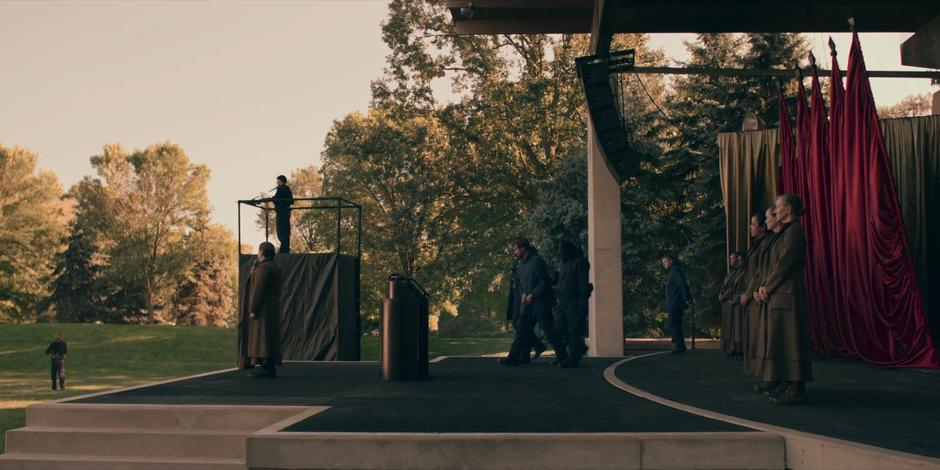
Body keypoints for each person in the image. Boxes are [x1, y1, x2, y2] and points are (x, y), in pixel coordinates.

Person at [757, 194, 813, 405]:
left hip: (787, 295)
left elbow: (783, 264)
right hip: (780, 294)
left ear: (788, 210)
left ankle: (796, 389)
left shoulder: (795, 232)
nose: (776, 210)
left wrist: (767, 287)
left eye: (779, 207)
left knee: (792, 342)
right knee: (783, 341)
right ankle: (787, 384)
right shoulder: (786, 233)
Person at [499, 238, 564, 366]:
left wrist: (533, 294)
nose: (515, 252)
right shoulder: (520, 265)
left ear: (523, 248)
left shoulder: (537, 261)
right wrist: (523, 294)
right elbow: (521, 284)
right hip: (527, 304)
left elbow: (544, 281)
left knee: (549, 330)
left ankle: (563, 356)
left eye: (516, 249)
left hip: (541, 304)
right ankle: (513, 358)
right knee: (521, 330)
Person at [246, 242, 284, 378]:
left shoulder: (264, 269)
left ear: (262, 252)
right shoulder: (275, 268)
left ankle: (266, 366)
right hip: (271, 307)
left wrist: (253, 308)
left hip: (263, 309)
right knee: (269, 336)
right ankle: (268, 366)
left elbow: (258, 290)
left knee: (263, 337)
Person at [741, 211, 772, 375]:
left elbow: (760, 272)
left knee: (760, 336)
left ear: (762, 227)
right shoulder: (758, 244)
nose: (750, 227)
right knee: (754, 335)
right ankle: (759, 371)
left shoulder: (766, 243)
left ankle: (764, 372)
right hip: (753, 291)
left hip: (758, 294)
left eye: (753, 224)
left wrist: (750, 292)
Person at [554, 241, 592, 368]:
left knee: (574, 330)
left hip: (574, 302)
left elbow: (583, 283)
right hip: (564, 301)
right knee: (560, 328)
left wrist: (582, 301)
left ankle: (573, 358)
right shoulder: (565, 264)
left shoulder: (580, 263)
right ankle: (578, 349)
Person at [505, 253, 546, 364]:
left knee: (522, 328)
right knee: (523, 328)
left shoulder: (531, 263)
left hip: (525, 301)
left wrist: (529, 294)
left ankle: (520, 355)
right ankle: (527, 352)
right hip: (523, 300)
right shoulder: (522, 265)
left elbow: (541, 281)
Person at [662, 253, 692, 355]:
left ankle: (679, 347)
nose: (664, 264)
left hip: (675, 303)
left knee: (674, 324)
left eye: (665, 262)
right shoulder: (674, 270)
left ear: (671, 261)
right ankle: (680, 346)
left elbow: (682, 283)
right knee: (675, 324)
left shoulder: (675, 270)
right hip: (674, 303)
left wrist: (686, 299)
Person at [718, 251, 745, 357]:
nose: (730, 260)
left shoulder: (742, 272)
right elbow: (725, 286)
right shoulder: (732, 272)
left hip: (734, 302)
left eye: (733, 258)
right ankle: (732, 349)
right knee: (730, 327)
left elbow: (732, 288)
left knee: (736, 327)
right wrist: (720, 295)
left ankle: (739, 350)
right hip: (727, 303)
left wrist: (724, 296)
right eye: (730, 258)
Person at [272, 175, 294, 254]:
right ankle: (285, 248)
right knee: (285, 230)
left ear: (281, 181)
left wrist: (273, 199)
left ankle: (284, 249)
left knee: (282, 231)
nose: (276, 182)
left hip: (282, 213)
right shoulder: (286, 188)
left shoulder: (281, 188)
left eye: (277, 181)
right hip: (285, 213)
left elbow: (277, 198)